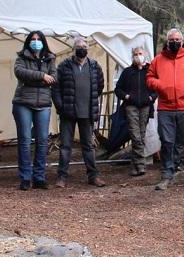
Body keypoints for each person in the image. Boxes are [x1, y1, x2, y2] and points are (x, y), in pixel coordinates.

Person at [146, 29, 184, 191]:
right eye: (171, 39)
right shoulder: (158, 60)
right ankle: (167, 175)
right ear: (167, 41)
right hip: (165, 107)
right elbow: (149, 78)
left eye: (177, 39)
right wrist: (160, 85)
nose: (174, 42)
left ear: (182, 41)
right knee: (167, 142)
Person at [53, 37, 105, 188]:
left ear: (88, 49)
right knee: (65, 146)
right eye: (78, 46)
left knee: (88, 146)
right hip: (68, 112)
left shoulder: (95, 66)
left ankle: (93, 176)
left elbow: (99, 86)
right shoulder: (64, 66)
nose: (81, 48)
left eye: (84, 46)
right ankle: (61, 177)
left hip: (87, 112)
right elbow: (56, 88)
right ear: (73, 49)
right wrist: (60, 106)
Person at [12, 30, 57, 191]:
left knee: (42, 141)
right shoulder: (21, 58)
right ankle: (25, 178)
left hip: (43, 104)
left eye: (39, 39)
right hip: (23, 103)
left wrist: (36, 78)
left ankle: (39, 177)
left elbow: (54, 78)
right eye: (33, 39)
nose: (36, 41)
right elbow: (20, 73)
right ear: (28, 42)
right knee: (24, 141)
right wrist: (42, 77)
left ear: (44, 42)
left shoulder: (51, 58)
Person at [114, 47, 158, 177]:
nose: (138, 56)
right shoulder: (127, 72)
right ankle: (140, 164)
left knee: (142, 134)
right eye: (135, 54)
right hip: (131, 106)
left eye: (140, 54)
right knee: (135, 135)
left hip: (145, 106)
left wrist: (151, 98)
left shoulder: (150, 71)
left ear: (144, 55)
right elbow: (118, 89)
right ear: (132, 56)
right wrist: (127, 97)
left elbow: (157, 87)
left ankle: (136, 164)